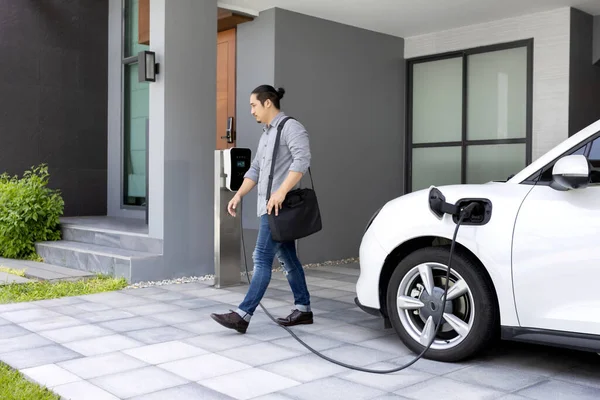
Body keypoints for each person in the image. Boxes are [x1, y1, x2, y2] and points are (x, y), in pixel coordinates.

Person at [210, 85, 313, 334]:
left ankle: (243, 315)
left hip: (279, 207)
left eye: (253, 105)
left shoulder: (291, 127)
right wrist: (238, 195)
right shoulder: (266, 134)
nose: (252, 111)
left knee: (261, 258)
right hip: (267, 206)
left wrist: (281, 191)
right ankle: (304, 309)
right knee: (288, 258)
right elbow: (255, 169)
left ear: (268, 103)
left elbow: (302, 160)